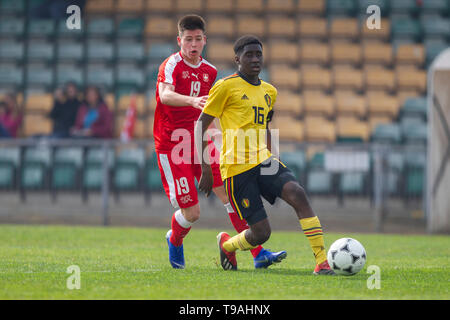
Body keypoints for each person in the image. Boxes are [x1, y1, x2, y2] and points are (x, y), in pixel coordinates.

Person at [195, 35, 335, 275]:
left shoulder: (270, 91)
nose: (255, 59)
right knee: (262, 233)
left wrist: (274, 158)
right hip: (236, 168)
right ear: (237, 59)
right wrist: (206, 168)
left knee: (297, 193)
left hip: (263, 160)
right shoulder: (225, 86)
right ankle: (227, 245)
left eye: (258, 54)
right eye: (249, 55)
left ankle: (322, 262)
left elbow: (265, 128)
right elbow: (200, 125)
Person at [154, 15, 286, 269]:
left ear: (204, 40)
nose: (193, 44)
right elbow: (165, 95)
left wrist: (216, 135)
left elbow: (208, 113)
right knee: (192, 213)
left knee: (229, 195)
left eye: (197, 39)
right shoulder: (171, 65)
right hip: (173, 146)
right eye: (188, 39)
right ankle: (175, 239)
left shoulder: (210, 71)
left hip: (200, 142)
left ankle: (258, 253)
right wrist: (192, 100)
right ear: (179, 40)